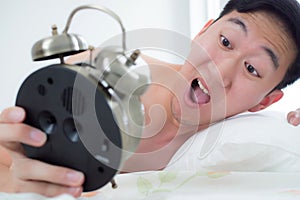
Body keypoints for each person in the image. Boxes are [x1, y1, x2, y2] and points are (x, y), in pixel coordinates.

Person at [1, 0, 300, 197]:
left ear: (264, 102)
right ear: (202, 32)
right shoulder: (92, 73)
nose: (220, 72)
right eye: (225, 41)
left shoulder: (244, 141)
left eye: (252, 69)